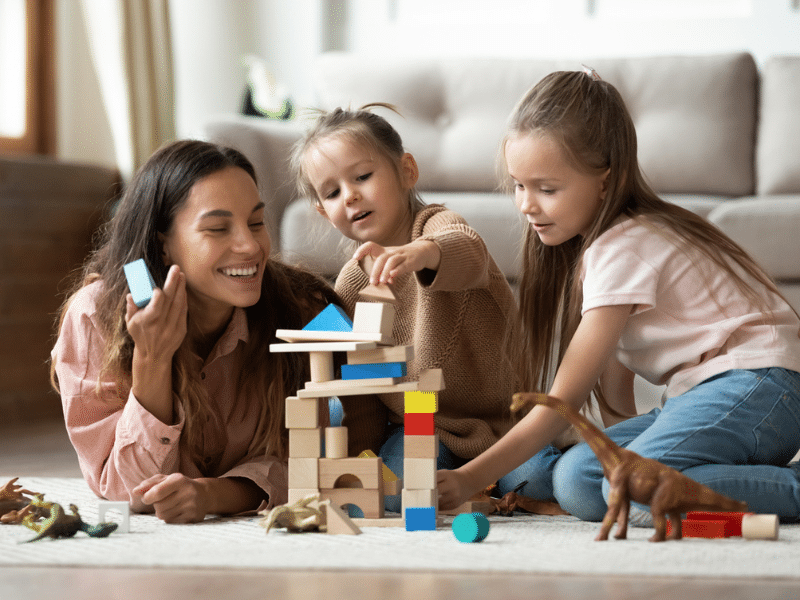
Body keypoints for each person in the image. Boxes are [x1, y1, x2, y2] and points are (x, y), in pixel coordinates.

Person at [437, 67, 800, 524]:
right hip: (719, 396)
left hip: (761, 385)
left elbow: (561, 404)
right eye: (518, 185)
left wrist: (470, 478)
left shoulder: (623, 246)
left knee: (632, 489)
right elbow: (614, 393)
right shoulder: (599, 252)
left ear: (605, 180)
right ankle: (726, 473)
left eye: (547, 189)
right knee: (579, 482)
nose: (526, 204)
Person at [51, 140, 339, 523]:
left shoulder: (302, 309)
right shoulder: (95, 316)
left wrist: (216, 494)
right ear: (163, 244)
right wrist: (152, 359)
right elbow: (124, 490)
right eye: (218, 228)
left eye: (256, 222)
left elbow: (324, 458)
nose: (250, 245)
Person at [291, 104, 558, 511]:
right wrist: (361, 460)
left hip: (506, 423)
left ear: (406, 172)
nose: (350, 195)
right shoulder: (350, 285)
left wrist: (421, 254)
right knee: (398, 491)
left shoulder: (437, 225)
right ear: (323, 212)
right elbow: (362, 391)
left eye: (363, 176)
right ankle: (481, 497)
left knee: (540, 480)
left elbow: (467, 250)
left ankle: (494, 492)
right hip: (421, 428)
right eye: (332, 192)